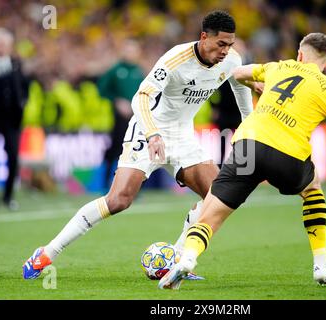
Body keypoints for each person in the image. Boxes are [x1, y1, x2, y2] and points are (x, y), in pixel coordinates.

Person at [159, 32, 326, 290]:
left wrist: (255, 85)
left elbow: (237, 73)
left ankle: (187, 259)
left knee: (212, 212)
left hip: (247, 146)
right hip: (287, 154)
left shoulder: (279, 66)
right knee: (313, 187)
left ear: (299, 55)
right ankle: (321, 265)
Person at [22, 11, 253, 280]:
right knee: (118, 200)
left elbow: (241, 88)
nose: (226, 51)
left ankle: (177, 261)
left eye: (230, 44)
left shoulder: (232, 61)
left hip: (183, 136)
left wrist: (249, 128)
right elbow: (140, 97)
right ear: (204, 37)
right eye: (221, 44)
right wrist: (153, 134)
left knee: (217, 197)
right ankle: (47, 252)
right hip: (148, 129)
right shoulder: (175, 59)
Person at [97, 39, 145, 190]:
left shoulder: (139, 71)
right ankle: (106, 184)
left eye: (133, 50)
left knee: (136, 151)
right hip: (119, 118)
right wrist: (117, 101)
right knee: (116, 149)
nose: (130, 53)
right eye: (128, 50)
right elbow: (102, 90)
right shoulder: (115, 70)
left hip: (136, 118)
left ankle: (133, 187)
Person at [0, 28, 28, 210]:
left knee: (13, 156)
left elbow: (24, 86)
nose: (1, 47)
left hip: (11, 120)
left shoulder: (15, 63)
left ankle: (8, 195)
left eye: (4, 43)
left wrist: (22, 103)